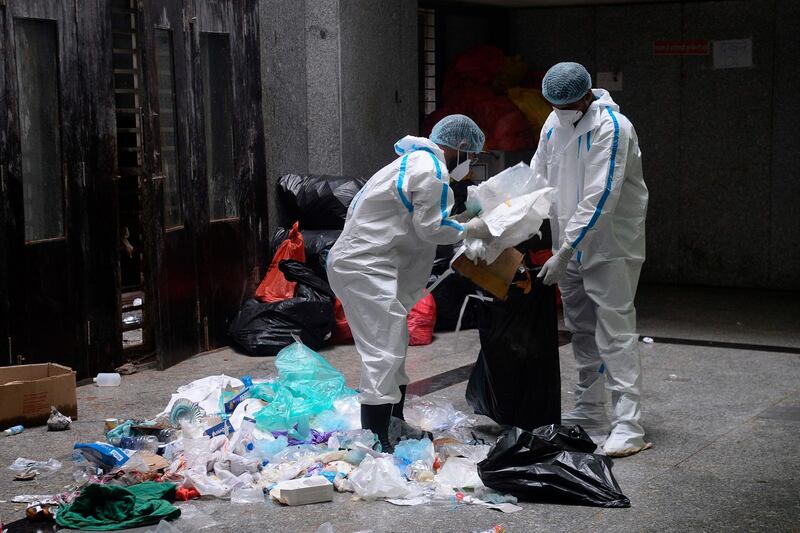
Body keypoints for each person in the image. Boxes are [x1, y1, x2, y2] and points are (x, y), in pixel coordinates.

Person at [327, 115, 490, 450]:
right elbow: (431, 228)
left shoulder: (417, 162)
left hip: (370, 265)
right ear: (459, 146)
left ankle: (394, 425)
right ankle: (376, 438)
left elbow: (421, 220)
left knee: (393, 347)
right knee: (383, 353)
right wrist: (470, 229)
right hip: (365, 267)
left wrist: (459, 221)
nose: (470, 165)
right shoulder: (431, 169)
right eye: (471, 156)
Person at [531, 62, 650, 457]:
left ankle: (628, 424)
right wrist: (501, 219)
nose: (559, 110)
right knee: (580, 328)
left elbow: (601, 197)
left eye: (565, 104)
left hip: (610, 245)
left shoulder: (614, 129)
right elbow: (537, 179)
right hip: (568, 241)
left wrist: (564, 251)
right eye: (553, 104)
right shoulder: (552, 124)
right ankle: (589, 409)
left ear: (586, 96)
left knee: (614, 330)